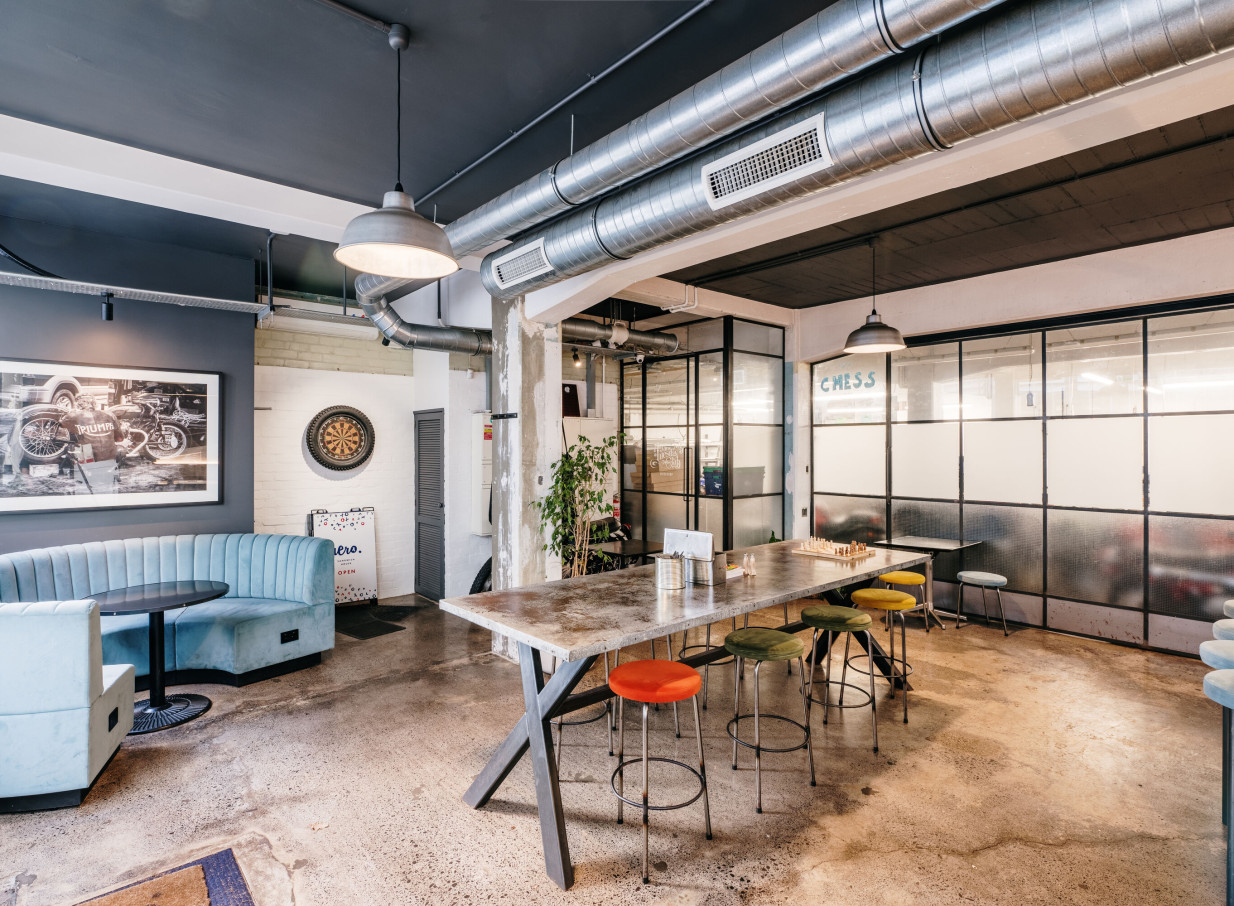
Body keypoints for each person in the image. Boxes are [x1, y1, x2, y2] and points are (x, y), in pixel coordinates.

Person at [60, 396, 129, 493]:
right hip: (109, 460)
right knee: (121, 447)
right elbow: (120, 438)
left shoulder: (74, 415)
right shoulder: (109, 414)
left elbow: (61, 424)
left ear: (78, 405)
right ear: (94, 404)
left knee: (74, 447)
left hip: (88, 461)